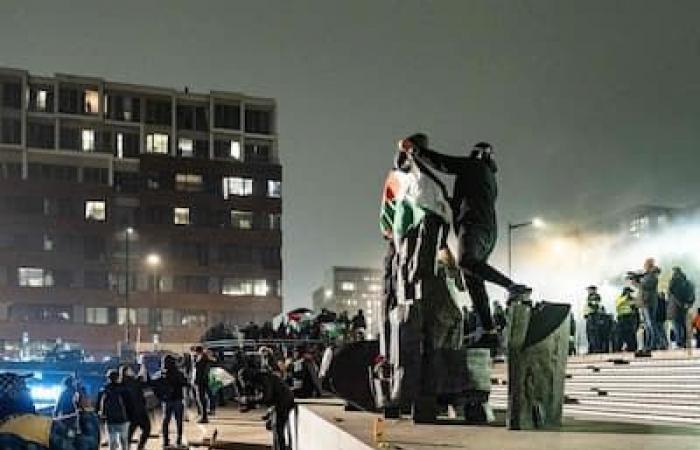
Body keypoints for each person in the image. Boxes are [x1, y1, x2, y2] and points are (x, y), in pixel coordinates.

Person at [399, 137, 531, 347]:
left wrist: (416, 151)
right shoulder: (487, 178)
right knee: (473, 280)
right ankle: (489, 331)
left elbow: (444, 163)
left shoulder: (474, 166)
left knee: (466, 262)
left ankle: (513, 287)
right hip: (486, 230)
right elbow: (465, 199)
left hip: (473, 225)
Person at [0, 373, 100, 450]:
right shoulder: (39, 426)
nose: (29, 391)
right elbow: (88, 446)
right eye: (24, 388)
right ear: (14, 395)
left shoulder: (6, 425)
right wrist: (86, 410)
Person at [238, 367, 295, 450]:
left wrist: (248, 400)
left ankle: (280, 447)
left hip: (283, 401)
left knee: (277, 427)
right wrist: (249, 406)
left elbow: (266, 397)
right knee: (274, 426)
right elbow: (261, 398)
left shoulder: (263, 379)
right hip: (278, 402)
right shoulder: (256, 380)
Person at [157, 354, 188, 449]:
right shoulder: (178, 372)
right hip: (177, 399)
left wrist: (161, 396)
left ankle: (165, 442)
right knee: (178, 421)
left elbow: (156, 386)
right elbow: (185, 383)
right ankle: (178, 441)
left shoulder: (161, 374)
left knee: (166, 420)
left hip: (166, 401)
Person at [631, 258, 661, 351]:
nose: (644, 266)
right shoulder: (647, 275)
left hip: (648, 302)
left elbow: (645, 286)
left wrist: (636, 282)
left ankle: (653, 343)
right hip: (644, 302)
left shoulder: (652, 276)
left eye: (646, 264)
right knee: (647, 325)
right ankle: (649, 344)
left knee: (650, 324)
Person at [97, 369, 131, 450]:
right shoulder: (123, 389)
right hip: (123, 419)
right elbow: (129, 403)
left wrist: (100, 416)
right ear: (117, 377)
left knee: (112, 443)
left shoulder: (104, 390)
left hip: (110, 420)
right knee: (124, 442)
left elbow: (99, 405)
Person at [119, 365, 150, 450]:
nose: (132, 371)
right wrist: (143, 371)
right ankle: (140, 447)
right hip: (139, 411)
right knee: (147, 429)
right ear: (126, 372)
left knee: (129, 434)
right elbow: (144, 383)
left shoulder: (121, 384)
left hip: (129, 413)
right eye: (130, 370)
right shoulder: (133, 382)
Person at [668, 266, 695, 348]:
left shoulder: (674, 282)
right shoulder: (688, 283)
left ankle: (680, 342)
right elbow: (692, 295)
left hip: (675, 307)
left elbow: (672, 293)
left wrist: (680, 304)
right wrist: (689, 304)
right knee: (683, 324)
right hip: (685, 307)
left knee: (677, 325)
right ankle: (685, 341)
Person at [192, 345, 211, 423]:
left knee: (201, 398)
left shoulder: (201, 358)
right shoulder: (203, 358)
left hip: (200, 381)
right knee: (201, 398)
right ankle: (203, 415)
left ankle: (204, 416)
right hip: (201, 380)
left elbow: (198, 369)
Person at [615, 287, 638, 352]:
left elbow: (636, 306)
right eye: (628, 292)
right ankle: (618, 348)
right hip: (622, 318)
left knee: (630, 334)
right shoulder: (620, 298)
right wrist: (626, 298)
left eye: (630, 292)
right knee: (621, 334)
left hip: (630, 318)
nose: (629, 294)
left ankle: (631, 347)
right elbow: (618, 304)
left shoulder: (632, 299)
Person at [583, 286, 603, 353]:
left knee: (593, 333)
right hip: (590, 316)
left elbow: (595, 306)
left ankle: (595, 349)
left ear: (593, 290)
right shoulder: (590, 297)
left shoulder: (595, 297)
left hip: (593, 316)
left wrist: (591, 306)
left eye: (589, 290)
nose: (588, 291)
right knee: (590, 333)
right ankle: (592, 348)